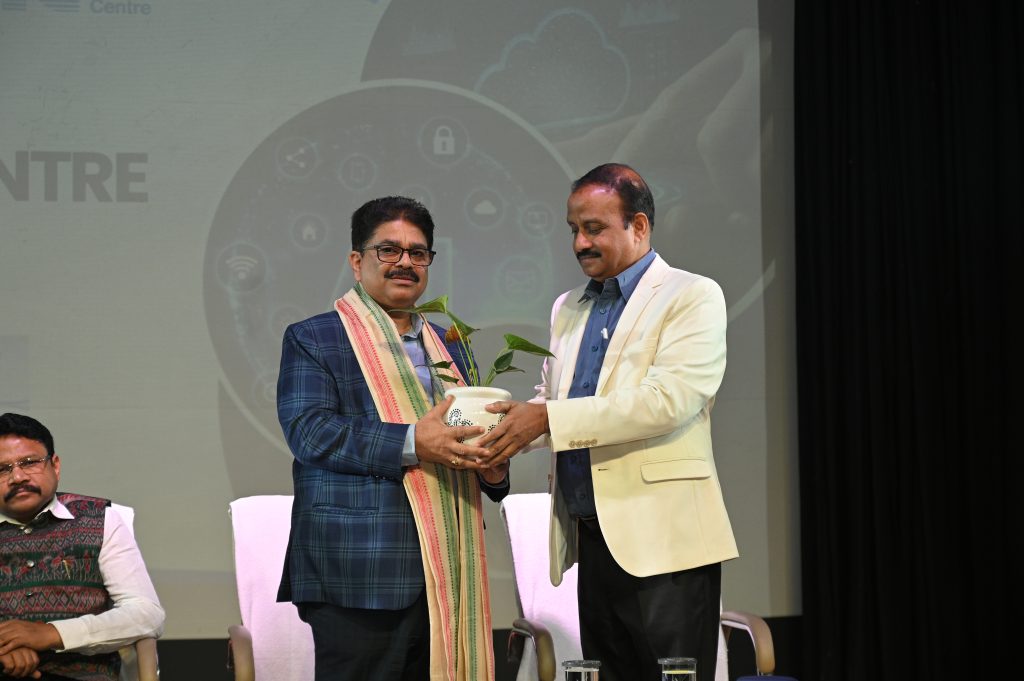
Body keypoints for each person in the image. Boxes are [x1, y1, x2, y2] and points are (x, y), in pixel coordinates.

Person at [479, 163, 737, 681]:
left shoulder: (692, 295)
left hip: (665, 543)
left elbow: (666, 401)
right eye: (573, 229)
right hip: (592, 539)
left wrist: (544, 417)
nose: (579, 243)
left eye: (593, 228)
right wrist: (499, 436)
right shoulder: (568, 307)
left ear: (638, 226)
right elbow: (555, 400)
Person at [276, 195, 509, 681]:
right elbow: (310, 432)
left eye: (418, 252)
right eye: (389, 250)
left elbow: (462, 434)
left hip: (449, 563)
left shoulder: (450, 345)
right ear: (356, 261)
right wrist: (414, 442)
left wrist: (491, 465)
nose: (405, 262)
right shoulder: (315, 337)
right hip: (360, 569)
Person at [0, 413, 165, 681]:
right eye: (2, 469)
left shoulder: (101, 519)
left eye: (29, 463)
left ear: (55, 465)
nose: (17, 477)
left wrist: (51, 633)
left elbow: (146, 614)